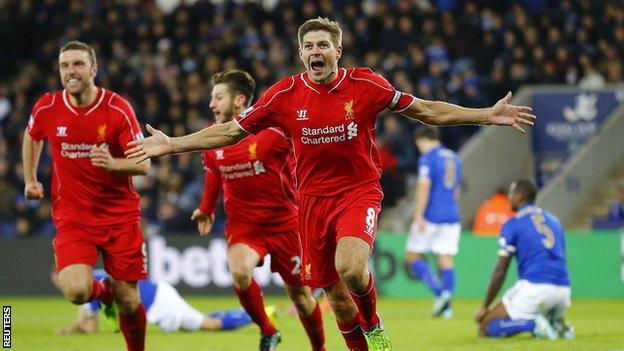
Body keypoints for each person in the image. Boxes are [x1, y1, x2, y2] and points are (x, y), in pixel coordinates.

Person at [126, 18, 535, 351]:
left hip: (358, 193)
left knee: (351, 267)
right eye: (309, 46)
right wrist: (172, 145)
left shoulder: (366, 85)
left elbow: (427, 111)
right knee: (337, 299)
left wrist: (486, 115)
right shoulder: (283, 95)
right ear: (301, 53)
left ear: (337, 51)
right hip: (311, 204)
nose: (316, 52)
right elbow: (231, 132)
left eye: (323, 45)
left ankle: (374, 325)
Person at [22, 41, 149, 351]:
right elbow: (32, 135)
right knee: (76, 290)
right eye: (64, 66)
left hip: (120, 218)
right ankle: (103, 294)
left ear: (94, 69)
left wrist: (113, 163)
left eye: (78, 64)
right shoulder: (48, 107)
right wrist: (30, 179)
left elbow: (143, 164)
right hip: (73, 219)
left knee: (130, 300)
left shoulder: (118, 109)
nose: (70, 71)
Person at [190, 70, 325, 351]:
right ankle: (268, 330)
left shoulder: (272, 132)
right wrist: (206, 208)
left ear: (239, 100)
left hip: (286, 224)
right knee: (239, 272)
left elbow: (307, 151)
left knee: (300, 297)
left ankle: (319, 348)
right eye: (212, 98)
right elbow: (214, 172)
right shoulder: (211, 138)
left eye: (218, 98)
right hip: (244, 226)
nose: (212, 104)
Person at [475, 180, 574, 340]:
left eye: (511, 193)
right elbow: (564, 258)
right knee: (537, 306)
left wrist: (485, 306)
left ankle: (533, 324)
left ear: (520, 196)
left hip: (536, 288)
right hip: (563, 290)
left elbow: (501, 271)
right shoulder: (554, 221)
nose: (508, 197)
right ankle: (553, 321)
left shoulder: (512, 224)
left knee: (485, 326)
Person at [54, 270, 265, 335]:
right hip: (157, 297)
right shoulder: (94, 277)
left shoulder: (91, 286)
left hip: (160, 303)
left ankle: (261, 314)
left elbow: (90, 328)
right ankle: (251, 312)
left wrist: (69, 330)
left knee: (210, 325)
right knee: (205, 320)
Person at [405, 126, 461, 319]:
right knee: (445, 257)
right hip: (452, 215)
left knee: (413, 256)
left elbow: (424, 187)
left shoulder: (428, 158)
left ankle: (439, 293)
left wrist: (419, 215)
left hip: (431, 215)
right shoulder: (454, 157)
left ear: (423, 140)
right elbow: (457, 190)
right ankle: (447, 306)